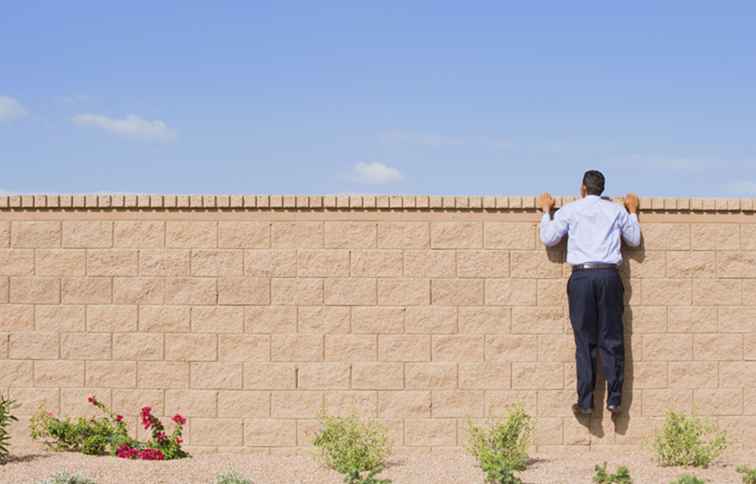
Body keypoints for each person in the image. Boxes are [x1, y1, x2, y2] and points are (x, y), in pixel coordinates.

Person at [537, 170, 641, 417]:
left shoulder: (571, 210)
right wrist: (633, 211)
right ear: (601, 189)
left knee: (585, 341)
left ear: (583, 188)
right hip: (608, 276)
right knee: (612, 339)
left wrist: (546, 211)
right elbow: (634, 240)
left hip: (582, 277)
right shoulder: (615, 210)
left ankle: (585, 402)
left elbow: (549, 238)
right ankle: (614, 400)